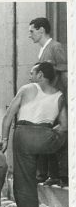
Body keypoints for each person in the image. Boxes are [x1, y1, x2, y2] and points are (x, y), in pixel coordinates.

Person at [0, 61, 67, 207]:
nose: (30, 76)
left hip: (24, 136)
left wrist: (4, 139)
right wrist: (50, 134)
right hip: (46, 137)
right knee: (60, 141)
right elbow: (65, 125)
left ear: (41, 76)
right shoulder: (60, 95)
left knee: (24, 183)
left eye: (32, 72)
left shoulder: (28, 88)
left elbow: (8, 116)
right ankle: (59, 173)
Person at [29, 17, 68, 187]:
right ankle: (46, 174)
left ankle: (61, 175)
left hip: (58, 99)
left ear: (41, 30)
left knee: (58, 136)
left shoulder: (55, 47)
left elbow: (66, 71)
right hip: (47, 100)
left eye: (32, 31)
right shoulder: (42, 50)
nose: (30, 35)